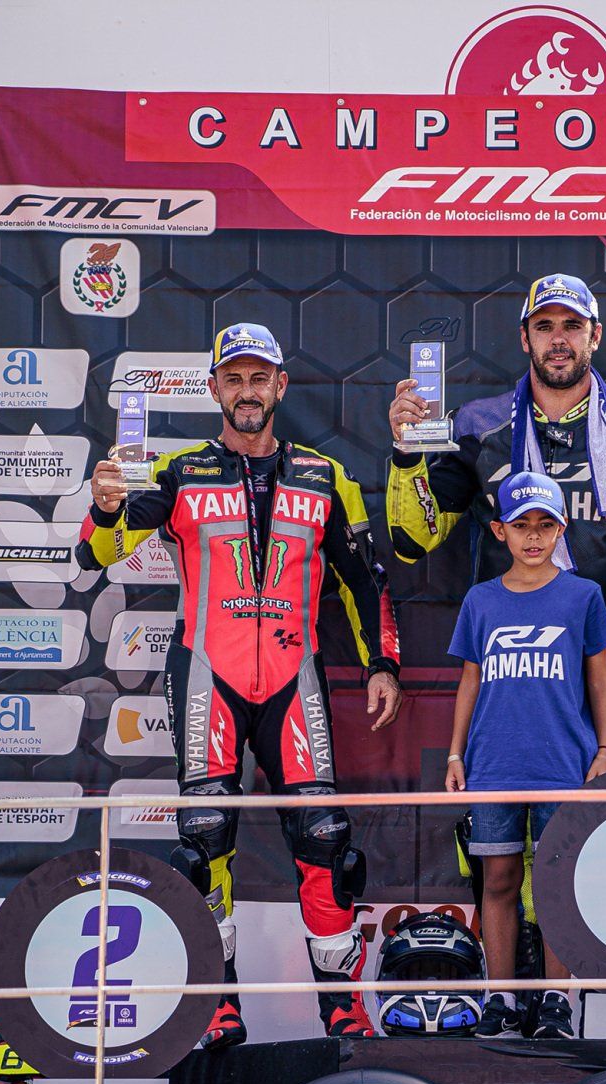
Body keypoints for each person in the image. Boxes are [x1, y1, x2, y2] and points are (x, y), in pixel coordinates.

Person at [78, 322, 404, 1045]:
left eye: (259, 378)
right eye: (234, 379)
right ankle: (216, 1004)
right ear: (214, 388)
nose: (247, 391)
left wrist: (382, 663)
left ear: (280, 386)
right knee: (204, 839)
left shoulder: (326, 476)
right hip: (208, 677)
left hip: (295, 678)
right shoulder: (178, 471)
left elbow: (365, 580)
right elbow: (102, 552)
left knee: (324, 837)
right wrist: (104, 507)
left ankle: (343, 1008)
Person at [387, 273, 606, 769]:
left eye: (573, 325)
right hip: (508, 647)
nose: (558, 339)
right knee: (500, 793)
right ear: (524, 338)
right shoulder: (478, 427)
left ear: (595, 335)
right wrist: (406, 455)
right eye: (544, 326)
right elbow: (412, 540)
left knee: (604, 794)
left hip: (604, 641)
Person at [445, 471, 606, 1040]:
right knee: (497, 879)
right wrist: (455, 754)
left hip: (564, 765)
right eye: (522, 526)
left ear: (562, 529)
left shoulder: (582, 596)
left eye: (546, 525)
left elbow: (601, 679)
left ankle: (556, 1002)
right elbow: (470, 681)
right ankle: (501, 998)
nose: (534, 537)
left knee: (556, 887)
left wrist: (605, 750)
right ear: (500, 531)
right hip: (493, 765)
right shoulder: (481, 599)